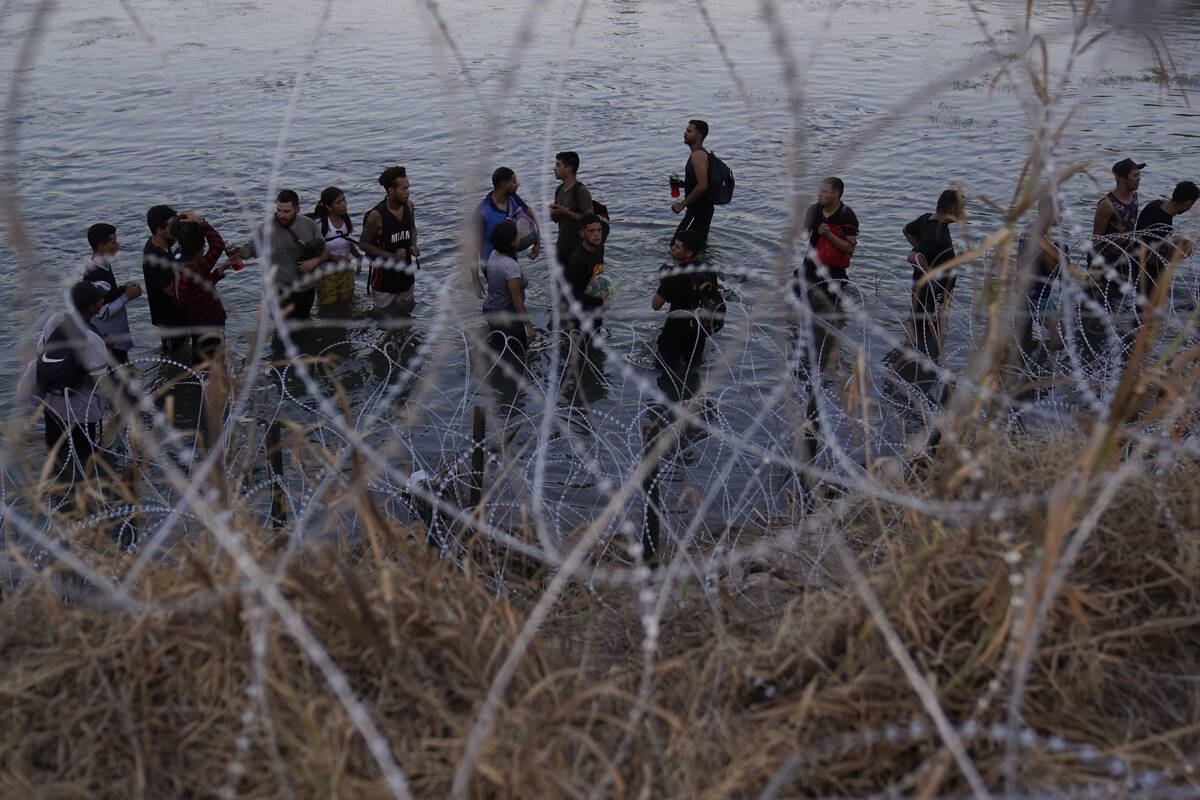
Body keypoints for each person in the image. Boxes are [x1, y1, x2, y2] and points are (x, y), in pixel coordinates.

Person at [16, 281, 111, 479]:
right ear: (92, 307)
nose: (103, 301)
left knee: (57, 456)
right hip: (83, 412)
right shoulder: (93, 339)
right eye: (99, 299)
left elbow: (41, 355)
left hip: (52, 407)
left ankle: (58, 494)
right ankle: (87, 498)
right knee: (90, 458)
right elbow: (98, 382)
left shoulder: (55, 320)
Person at [230, 189, 329, 321]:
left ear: (297, 209)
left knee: (302, 323)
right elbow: (250, 250)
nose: (281, 215)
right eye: (279, 210)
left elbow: (325, 252)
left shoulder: (309, 225)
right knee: (282, 329)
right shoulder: (267, 229)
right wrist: (240, 251)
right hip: (278, 289)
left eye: (287, 211)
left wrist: (314, 262)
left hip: (305, 287)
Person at [796, 177, 859, 371]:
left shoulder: (847, 216)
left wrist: (829, 235)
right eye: (819, 191)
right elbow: (803, 235)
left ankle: (827, 347)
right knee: (799, 304)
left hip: (833, 271)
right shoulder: (814, 210)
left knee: (829, 314)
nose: (819, 194)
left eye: (824, 192)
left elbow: (850, 249)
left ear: (836, 194)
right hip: (809, 267)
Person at [903, 188, 964, 363]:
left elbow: (907, 230)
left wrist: (922, 251)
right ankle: (923, 366)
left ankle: (910, 358)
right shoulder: (937, 235)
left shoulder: (926, 218)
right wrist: (929, 273)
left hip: (921, 287)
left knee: (916, 324)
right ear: (952, 210)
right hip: (932, 293)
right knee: (929, 333)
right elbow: (912, 256)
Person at [170, 214, 233, 366]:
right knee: (215, 364)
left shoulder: (178, 261)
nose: (205, 250)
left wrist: (219, 271)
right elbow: (217, 244)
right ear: (200, 249)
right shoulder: (197, 267)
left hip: (195, 323)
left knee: (201, 360)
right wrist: (201, 222)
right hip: (211, 323)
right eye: (203, 247)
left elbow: (199, 288)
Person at [1015, 194, 1067, 374]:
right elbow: (1053, 270)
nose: (1063, 213)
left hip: (1023, 294)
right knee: (1060, 335)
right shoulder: (1043, 239)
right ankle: (1045, 370)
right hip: (1038, 296)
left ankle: (1025, 368)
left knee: (1021, 339)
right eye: (1060, 210)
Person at [652, 229, 716, 370]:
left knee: (666, 372)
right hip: (698, 332)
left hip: (674, 334)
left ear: (688, 253)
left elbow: (655, 305)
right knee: (692, 371)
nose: (672, 248)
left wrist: (664, 279)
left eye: (677, 246)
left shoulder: (674, 275)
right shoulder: (708, 269)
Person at [359, 167, 419, 314]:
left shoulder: (409, 206)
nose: (408, 192)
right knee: (384, 321)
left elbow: (412, 228)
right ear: (391, 190)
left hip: (406, 276)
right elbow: (363, 244)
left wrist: (413, 245)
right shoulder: (376, 216)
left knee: (407, 315)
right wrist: (392, 255)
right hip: (384, 281)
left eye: (408, 187)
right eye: (403, 189)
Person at [84, 223, 142, 363]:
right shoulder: (94, 274)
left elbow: (109, 295)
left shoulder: (104, 265)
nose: (118, 245)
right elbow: (102, 312)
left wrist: (124, 290)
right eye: (113, 242)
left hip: (116, 336)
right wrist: (126, 296)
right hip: (109, 339)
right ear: (100, 246)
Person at [1090, 157, 1144, 307]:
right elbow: (1097, 237)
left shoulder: (1135, 196)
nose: (1139, 179)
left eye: (1139, 175)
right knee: (1098, 302)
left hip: (1125, 257)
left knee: (1117, 301)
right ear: (1121, 178)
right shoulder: (1107, 205)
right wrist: (1095, 266)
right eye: (1135, 176)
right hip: (1105, 260)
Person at [482, 220, 535, 363]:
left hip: (491, 309)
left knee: (500, 349)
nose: (520, 238)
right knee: (518, 353)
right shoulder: (510, 266)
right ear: (511, 242)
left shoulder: (494, 254)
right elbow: (517, 301)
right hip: (506, 316)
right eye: (517, 236)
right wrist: (528, 326)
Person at [1136, 180, 1198, 300]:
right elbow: (1152, 260)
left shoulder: (1155, 204)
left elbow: (1149, 238)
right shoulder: (1163, 224)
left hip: (1136, 261)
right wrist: (1178, 254)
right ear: (1187, 203)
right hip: (1147, 275)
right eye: (1191, 205)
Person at [142, 205, 190, 354]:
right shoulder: (153, 258)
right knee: (173, 357)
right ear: (159, 230)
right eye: (172, 226)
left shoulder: (166, 243)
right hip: (168, 318)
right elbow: (171, 291)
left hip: (179, 313)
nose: (176, 229)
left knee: (184, 348)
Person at [311, 186, 361, 314]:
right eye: (339, 202)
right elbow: (315, 250)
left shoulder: (345, 220)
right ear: (328, 207)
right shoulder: (320, 224)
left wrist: (358, 256)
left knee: (346, 303)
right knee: (329, 307)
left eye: (344, 200)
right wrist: (335, 258)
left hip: (345, 269)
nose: (344, 205)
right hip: (325, 272)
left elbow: (345, 242)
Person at [477, 167, 539, 270]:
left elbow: (532, 216)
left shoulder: (513, 198)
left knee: (522, 284)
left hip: (511, 261)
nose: (517, 184)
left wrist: (537, 243)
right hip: (491, 266)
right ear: (503, 184)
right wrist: (476, 281)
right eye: (514, 182)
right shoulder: (483, 212)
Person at [669, 119, 714, 247]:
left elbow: (702, 185)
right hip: (701, 210)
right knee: (696, 247)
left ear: (699, 135)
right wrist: (681, 184)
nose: (685, 133)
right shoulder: (699, 154)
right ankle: (702, 264)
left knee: (677, 246)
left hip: (698, 211)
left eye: (689, 131)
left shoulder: (698, 155)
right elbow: (700, 182)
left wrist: (682, 205)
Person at [548, 151, 594, 267]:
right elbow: (556, 220)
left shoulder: (581, 191)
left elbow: (590, 219)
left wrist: (565, 211)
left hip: (578, 247)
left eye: (558, 165)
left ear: (568, 168)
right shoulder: (559, 190)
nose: (554, 168)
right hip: (562, 247)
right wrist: (553, 213)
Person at [562, 213, 606, 330]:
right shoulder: (577, 261)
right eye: (591, 231)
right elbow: (572, 294)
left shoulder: (600, 247)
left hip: (595, 307)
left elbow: (599, 273)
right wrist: (599, 300)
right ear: (582, 233)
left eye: (599, 230)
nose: (597, 234)